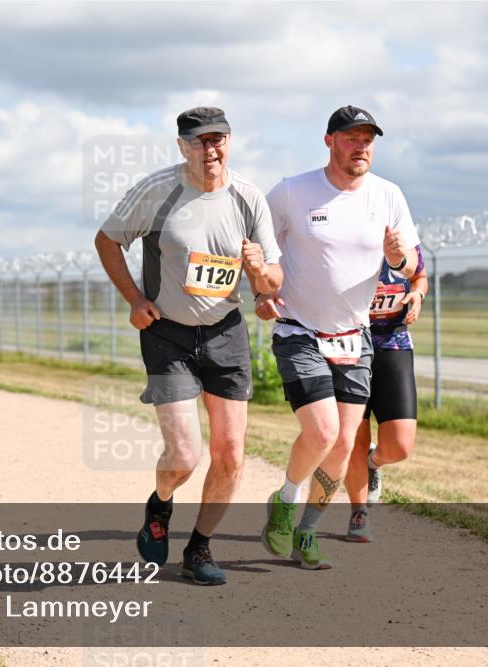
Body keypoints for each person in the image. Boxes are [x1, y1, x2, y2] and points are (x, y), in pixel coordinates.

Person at [95, 107, 282, 585]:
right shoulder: (157, 190)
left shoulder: (248, 197)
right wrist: (135, 298)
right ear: (182, 146)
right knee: (183, 457)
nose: (210, 149)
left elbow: (273, 280)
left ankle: (199, 547)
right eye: (199, 141)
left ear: (230, 141)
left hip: (225, 332)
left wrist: (262, 280)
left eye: (218, 139)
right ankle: (160, 507)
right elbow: (107, 240)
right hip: (168, 334)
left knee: (231, 454)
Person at [257, 105, 420, 570]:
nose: (361, 146)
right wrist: (261, 292)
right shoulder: (292, 192)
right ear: (329, 141)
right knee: (323, 431)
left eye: (368, 138)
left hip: (356, 334)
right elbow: (260, 251)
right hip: (299, 329)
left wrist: (400, 259)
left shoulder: (388, 195)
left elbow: (411, 264)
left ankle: (307, 531)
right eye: (351, 137)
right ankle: (286, 501)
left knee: (345, 444)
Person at [343, 247, 429, 541]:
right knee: (356, 435)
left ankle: (373, 463)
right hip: (349, 345)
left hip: (394, 342)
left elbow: (420, 277)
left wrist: (417, 294)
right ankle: (358, 511)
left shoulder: (405, 242)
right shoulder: (347, 237)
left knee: (401, 445)